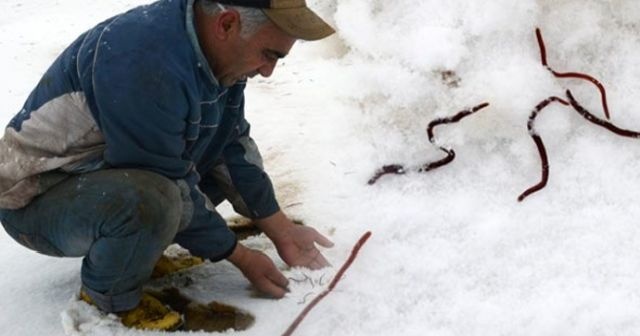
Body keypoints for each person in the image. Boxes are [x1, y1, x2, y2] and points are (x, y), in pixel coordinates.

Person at [0, 0, 335, 331]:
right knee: (154, 200)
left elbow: (230, 144)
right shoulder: (143, 60)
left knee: (192, 179)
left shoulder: (217, 57)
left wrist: (281, 228)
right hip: (35, 201)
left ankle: (135, 253)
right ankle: (108, 298)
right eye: (269, 55)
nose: (268, 71)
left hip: (98, 180)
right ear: (227, 24)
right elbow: (166, 178)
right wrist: (240, 257)